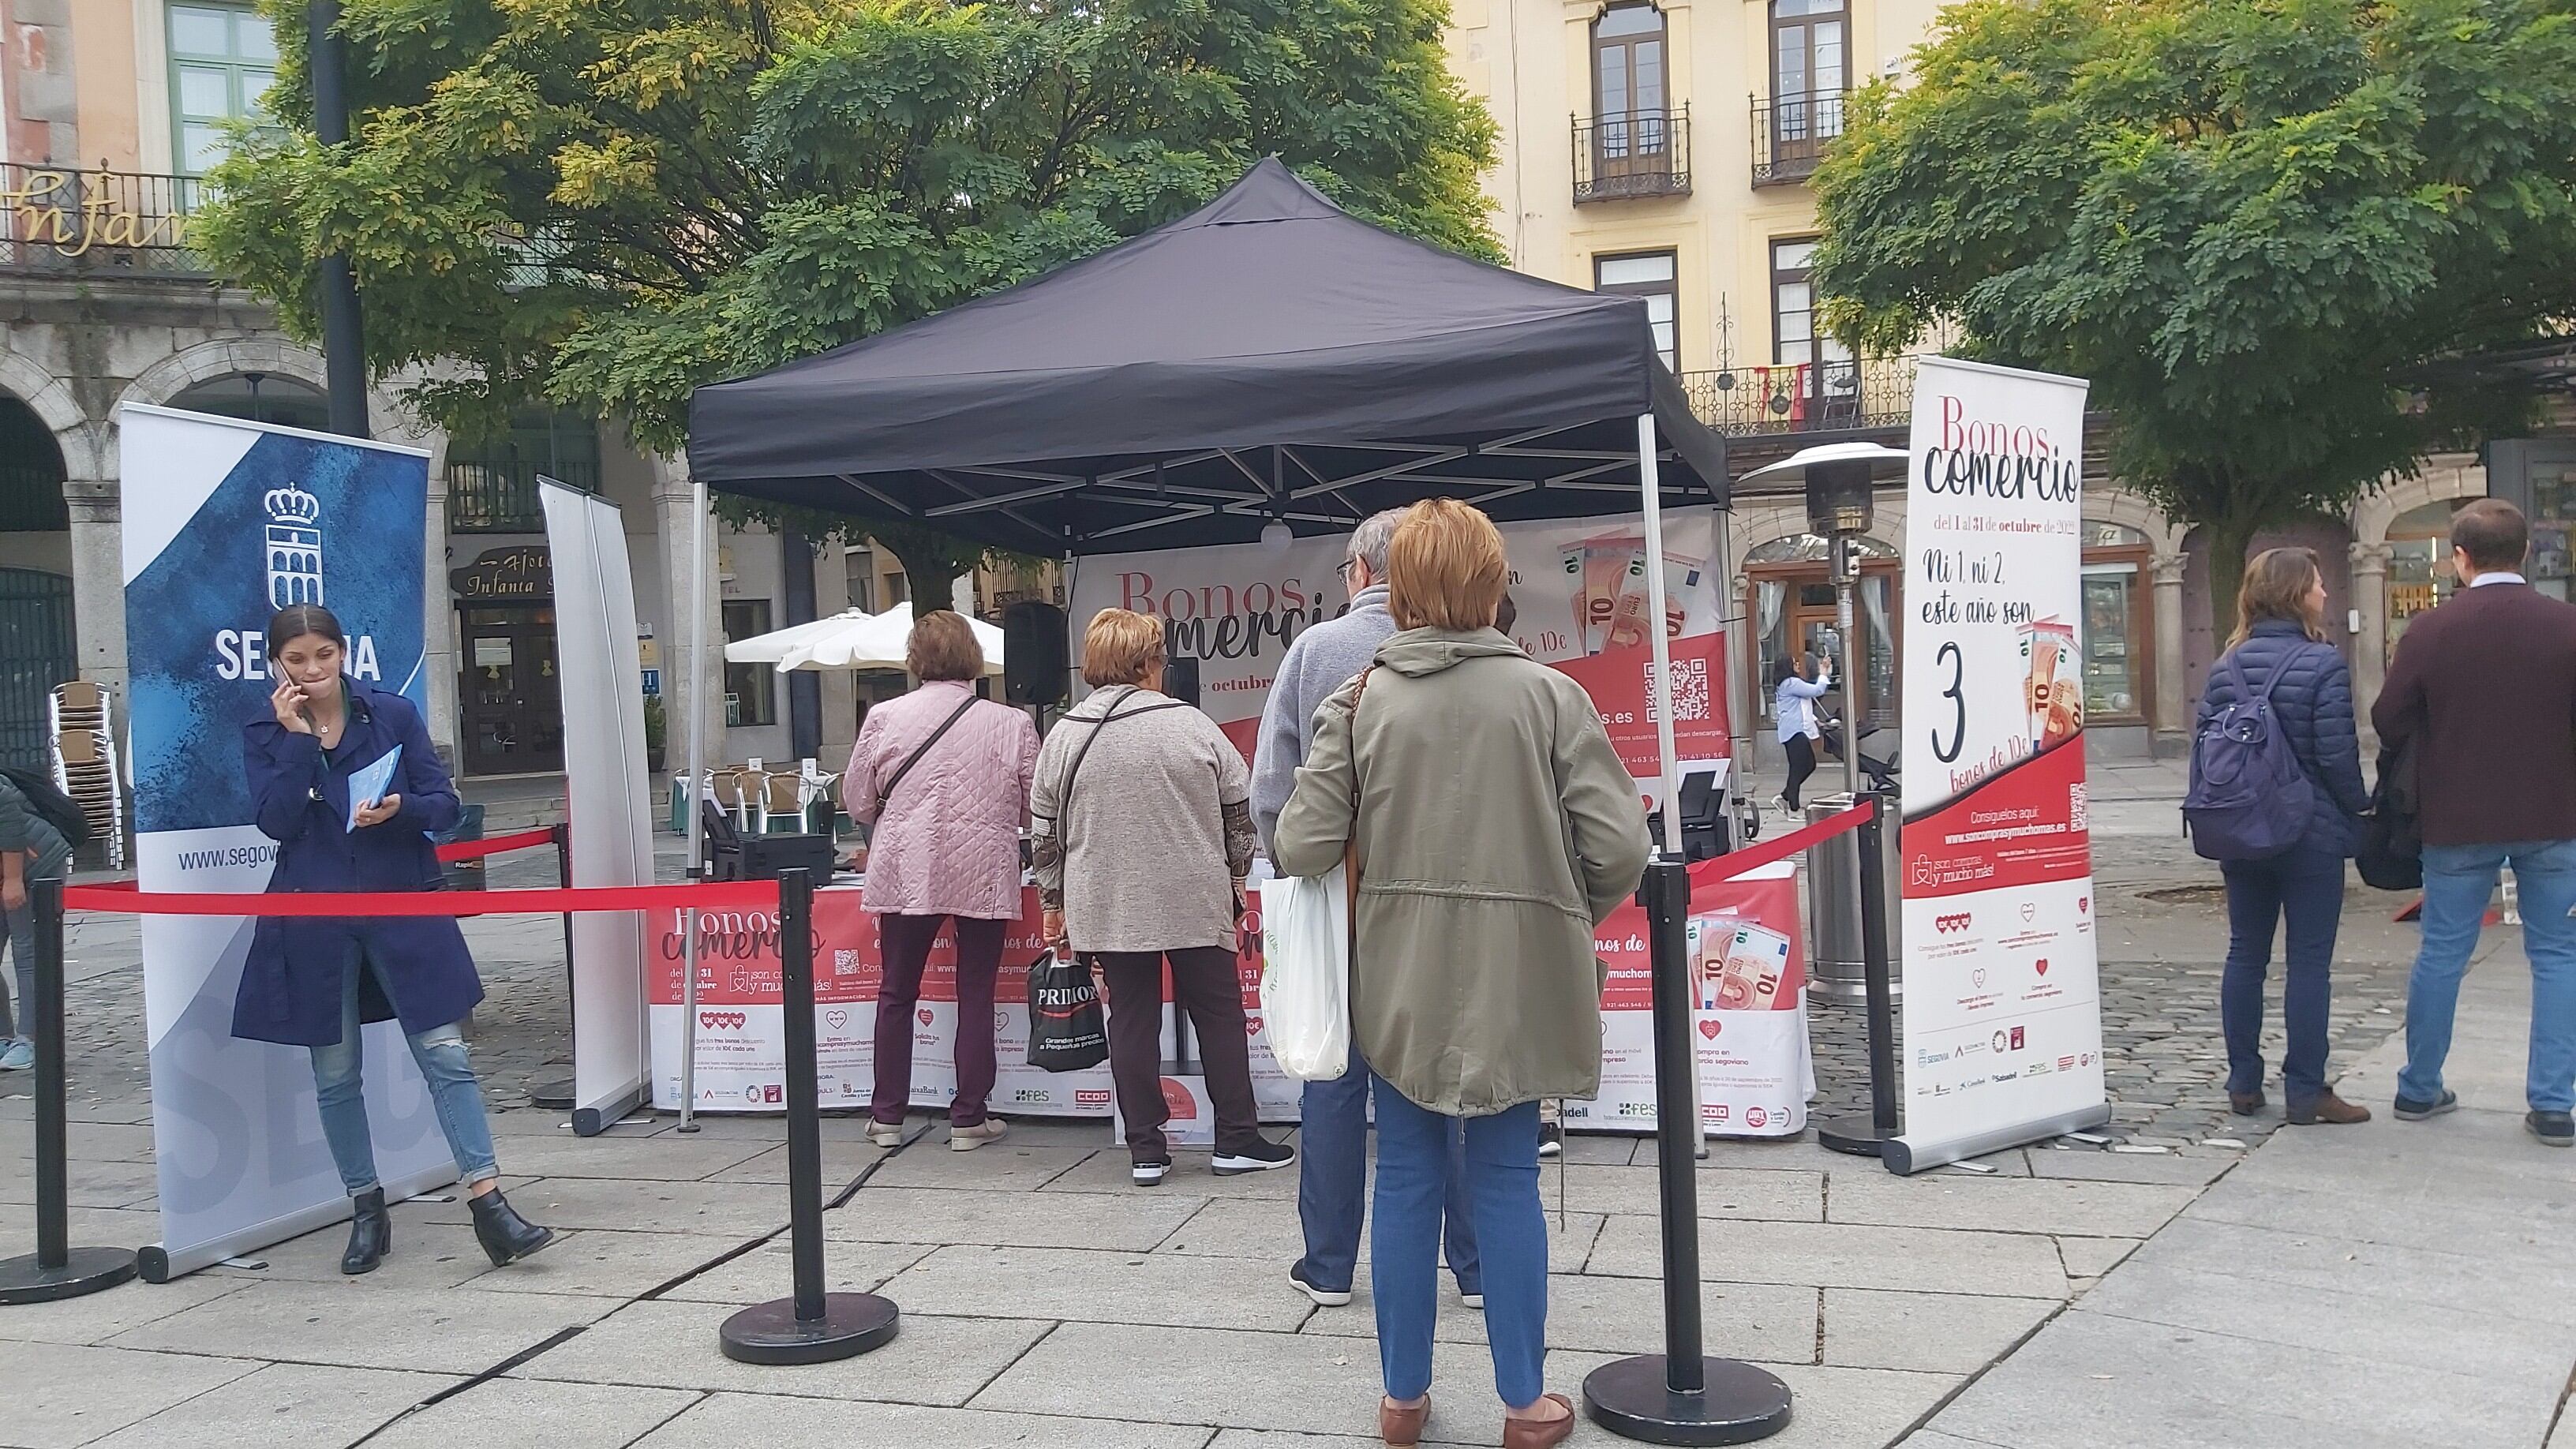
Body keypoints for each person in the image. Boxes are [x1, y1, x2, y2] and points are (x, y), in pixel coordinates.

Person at [1275, 499, 1651, 1449]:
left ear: (1393, 586)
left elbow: (1301, 841)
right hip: (1520, 978)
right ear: (1493, 585)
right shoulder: (1548, 696)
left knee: (1401, 1170)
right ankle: (1524, 1404)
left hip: (1392, 976)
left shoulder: (1358, 701)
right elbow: (1619, 849)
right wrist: (1553, 916)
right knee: (1507, 1176)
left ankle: (1403, 1399)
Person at [236, 605, 553, 1272]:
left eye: (323, 655)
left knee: (447, 1055)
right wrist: (297, 741)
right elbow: (276, 823)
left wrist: (401, 808)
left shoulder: (393, 715)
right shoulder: (267, 730)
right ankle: (365, 1208)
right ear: (278, 666)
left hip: (401, 905)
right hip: (316, 920)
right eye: (297, 660)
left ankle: (490, 1203)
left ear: (343, 653)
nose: (313, 670)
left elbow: (445, 806)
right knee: (335, 1071)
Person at [1252, 511, 1483, 1312]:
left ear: (1357, 571)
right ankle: (1477, 1265)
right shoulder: (1471, 650)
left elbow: (1271, 792)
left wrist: (1292, 865)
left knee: (1336, 1078)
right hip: (1443, 896)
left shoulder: (1316, 652)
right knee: (1441, 1076)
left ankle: (1328, 1266)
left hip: (1337, 895)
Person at [1034, 608, 1295, 1185]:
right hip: (1194, 894)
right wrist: (1235, 877)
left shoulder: (1065, 734)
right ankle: (1236, 1138)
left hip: (1106, 899)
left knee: (1130, 1021)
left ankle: (1146, 1150)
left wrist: (1053, 904)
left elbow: (1044, 834)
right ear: (1152, 661)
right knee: (1220, 1017)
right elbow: (1240, 815)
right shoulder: (1193, 726)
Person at [2372, 499, 2576, 1148]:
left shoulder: (2432, 630)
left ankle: (2419, 1086)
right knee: (2557, 954)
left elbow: (2388, 719)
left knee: (2442, 951)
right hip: (2554, 814)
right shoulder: (2566, 625)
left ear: (2459, 558)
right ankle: (2552, 1104)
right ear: (2523, 554)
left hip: (2456, 818)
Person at [844, 610, 1039, 1151]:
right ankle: (969, 1118)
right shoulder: (1012, 723)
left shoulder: (885, 717)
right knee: (975, 991)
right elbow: (1034, 806)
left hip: (906, 865)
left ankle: (886, 1116)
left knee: (896, 992)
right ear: (972, 657)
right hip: (983, 868)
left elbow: (857, 799)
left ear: (915, 658)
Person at [2195, 548, 2372, 1125]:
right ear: (2298, 594)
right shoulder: (2322, 663)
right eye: (2319, 584)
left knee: (2245, 952)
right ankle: (2305, 1091)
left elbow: (2205, 749)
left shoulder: (2229, 666)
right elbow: (2336, 756)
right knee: (2308, 963)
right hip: (2310, 834)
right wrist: (2360, 812)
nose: (2325, 592)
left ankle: (2243, 1083)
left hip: (2244, 829)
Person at [0, 769, 73, 1072]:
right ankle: (3, 1036)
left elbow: (8, 815)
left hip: (35, 864)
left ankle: (31, 1039)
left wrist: (14, 879)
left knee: (28, 952)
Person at [1773, 651, 1831, 812]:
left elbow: (1801, 706)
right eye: (1794, 662)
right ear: (1788, 667)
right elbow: (1817, 690)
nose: (1797, 665)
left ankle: (1785, 797)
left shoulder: (1788, 684)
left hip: (1793, 731)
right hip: (1794, 731)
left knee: (1808, 765)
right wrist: (1824, 672)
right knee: (1798, 767)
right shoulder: (1791, 683)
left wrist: (1815, 720)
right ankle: (1793, 808)